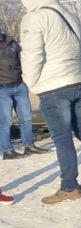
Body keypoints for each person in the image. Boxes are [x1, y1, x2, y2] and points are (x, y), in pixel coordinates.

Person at [18, 0, 81, 204]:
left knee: (62, 139)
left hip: (52, 87)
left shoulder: (34, 18)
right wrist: (74, 70)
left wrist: (33, 82)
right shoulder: (69, 15)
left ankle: (69, 188)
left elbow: (31, 56)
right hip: (76, 82)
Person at [0, 32, 50, 160]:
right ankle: (7, 150)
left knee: (26, 118)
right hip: (3, 89)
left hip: (19, 86)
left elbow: (23, 60)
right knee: (6, 121)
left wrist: (24, 81)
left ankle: (29, 145)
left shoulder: (11, 42)